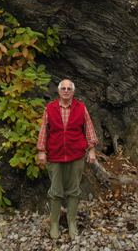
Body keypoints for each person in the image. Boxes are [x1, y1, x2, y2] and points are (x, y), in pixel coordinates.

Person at [37, 79, 98, 239]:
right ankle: (55, 223)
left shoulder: (81, 108)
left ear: (73, 91)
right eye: (63, 88)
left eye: (69, 88)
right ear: (58, 91)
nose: (66, 91)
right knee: (55, 191)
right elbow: (43, 129)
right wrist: (41, 150)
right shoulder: (50, 108)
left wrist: (91, 149)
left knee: (74, 190)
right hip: (55, 156)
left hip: (76, 155)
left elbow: (89, 128)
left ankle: (71, 222)